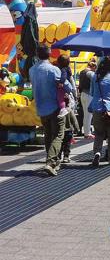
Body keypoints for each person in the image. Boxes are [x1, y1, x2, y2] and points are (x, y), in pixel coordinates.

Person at [29, 45, 64, 176]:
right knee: (58, 135)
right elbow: (62, 86)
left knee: (48, 135)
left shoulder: (32, 69)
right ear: (50, 54)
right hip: (55, 106)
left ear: (37, 55)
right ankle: (50, 162)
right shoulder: (54, 70)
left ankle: (52, 161)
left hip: (41, 107)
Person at [79, 60, 97, 139]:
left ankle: (86, 132)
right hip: (89, 94)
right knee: (89, 115)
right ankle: (87, 133)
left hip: (82, 94)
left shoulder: (82, 72)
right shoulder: (90, 73)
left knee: (85, 114)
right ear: (93, 67)